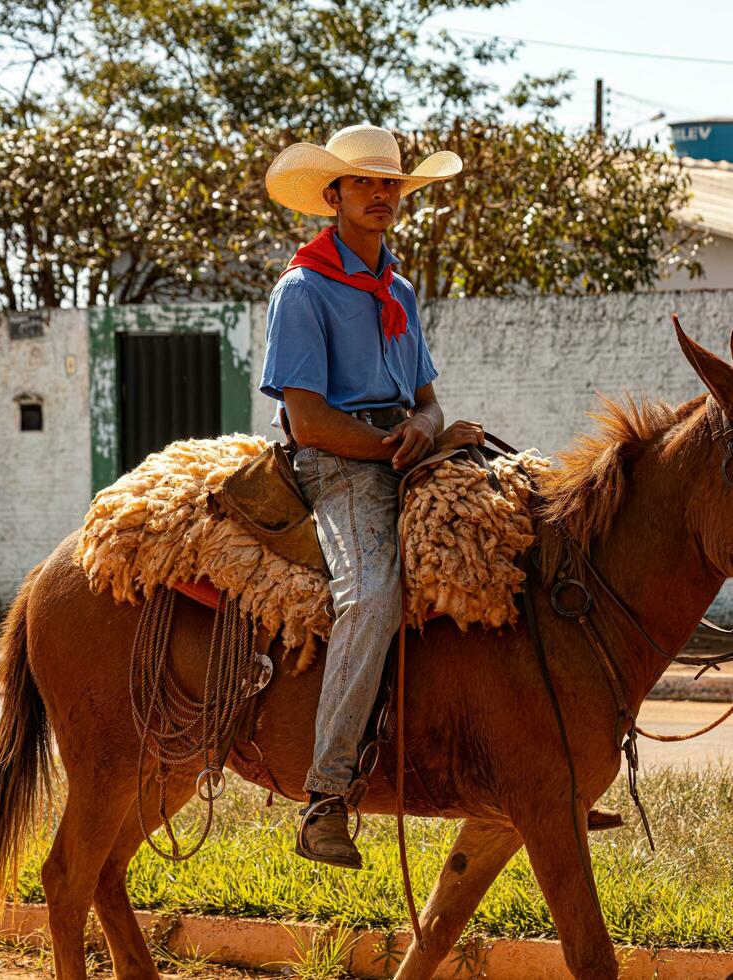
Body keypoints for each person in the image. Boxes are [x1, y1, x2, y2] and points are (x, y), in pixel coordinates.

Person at [260, 124, 620, 869]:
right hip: (337, 466)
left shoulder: (395, 288)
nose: (381, 194)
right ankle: (326, 797)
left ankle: (545, 769)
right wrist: (395, 446)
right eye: (364, 183)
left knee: (523, 542)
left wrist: (424, 430)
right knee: (372, 596)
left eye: (390, 183)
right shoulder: (302, 290)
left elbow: (424, 398)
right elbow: (307, 419)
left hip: (404, 453)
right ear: (333, 195)